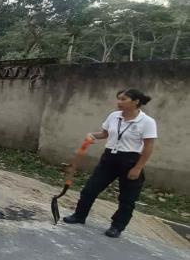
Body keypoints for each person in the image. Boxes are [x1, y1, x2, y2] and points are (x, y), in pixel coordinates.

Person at [63, 89, 158, 238]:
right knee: (90, 189)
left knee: (127, 198)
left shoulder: (147, 122)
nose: (119, 102)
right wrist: (92, 135)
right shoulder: (114, 116)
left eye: (123, 99)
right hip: (109, 159)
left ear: (136, 102)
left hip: (131, 160)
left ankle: (117, 227)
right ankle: (79, 216)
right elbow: (105, 134)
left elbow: (148, 146)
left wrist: (138, 167)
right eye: (118, 99)